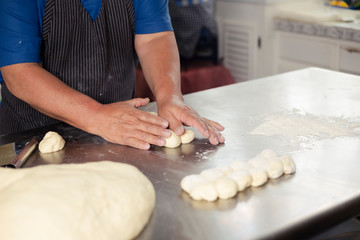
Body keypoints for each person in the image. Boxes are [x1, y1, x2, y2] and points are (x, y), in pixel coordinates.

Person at [0, 0, 225, 150]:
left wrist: (169, 95)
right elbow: (19, 71)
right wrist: (97, 116)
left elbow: (154, 38)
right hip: (30, 139)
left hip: (119, 134)